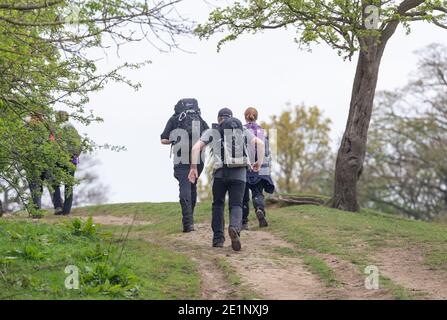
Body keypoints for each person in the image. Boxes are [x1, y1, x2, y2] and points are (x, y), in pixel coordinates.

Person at [188, 108, 265, 251]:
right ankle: (234, 228)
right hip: (240, 174)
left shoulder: (213, 131)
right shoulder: (241, 129)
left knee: (218, 205)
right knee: (236, 204)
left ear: (219, 119)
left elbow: (195, 149)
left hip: (219, 174)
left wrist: (193, 168)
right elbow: (259, 143)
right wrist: (258, 163)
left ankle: (218, 239)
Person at [161, 98, 209, 232]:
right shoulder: (199, 118)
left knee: (185, 187)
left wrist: (175, 139)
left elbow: (163, 140)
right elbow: (209, 134)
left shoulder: (175, 119)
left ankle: (188, 223)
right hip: (198, 158)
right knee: (192, 186)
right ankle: (190, 219)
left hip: (181, 158)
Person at [242, 107, 275, 230]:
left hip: (245, 168)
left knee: (243, 196)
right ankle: (260, 209)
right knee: (257, 193)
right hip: (260, 169)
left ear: (245, 116)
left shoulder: (242, 131)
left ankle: (244, 222)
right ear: (256, 117)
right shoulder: (262, 132)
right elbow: (266, 153)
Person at [51, 111, 82, 215]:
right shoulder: (73, 130)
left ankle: (58, 206)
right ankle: (67, 210)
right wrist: (75, 156)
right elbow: (79, 145)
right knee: (69, 185)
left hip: (57, 160)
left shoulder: (54, 129)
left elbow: (50, 144)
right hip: (71, 160)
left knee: (55, 183)